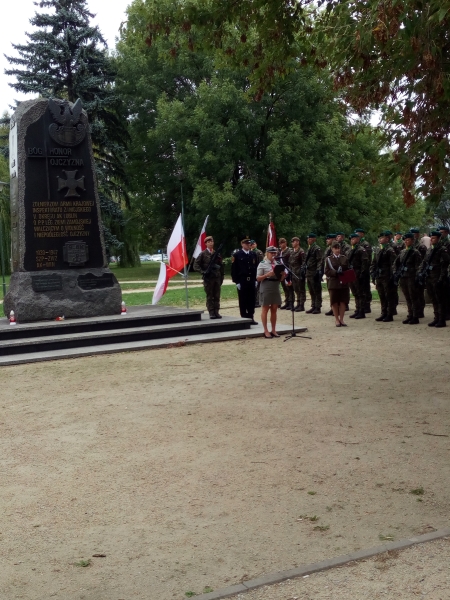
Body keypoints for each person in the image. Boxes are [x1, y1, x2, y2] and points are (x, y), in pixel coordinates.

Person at [418, 230, 450, 327]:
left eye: (434, 238)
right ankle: (436, 318)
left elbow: (444, 266)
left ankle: (442, 319)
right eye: (431, 238)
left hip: (437, 278)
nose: (431, 239)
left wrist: (441, 279)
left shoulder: (442, 249)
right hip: (429, 277)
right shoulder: (430, 249)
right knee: (433, 299)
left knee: (440, 299)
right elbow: (424, 262)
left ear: (439, 239)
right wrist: (420, 272)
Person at [392, 233, 422, 324]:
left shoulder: (415, 252)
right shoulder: (402, 252)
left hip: (411, 277)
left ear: (412, 241)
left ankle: (415, 316)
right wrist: (395, 272)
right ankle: (410, 315)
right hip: (403, 277)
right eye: (405, 240)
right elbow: (396, 263)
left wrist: (417, 277)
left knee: (413, 297)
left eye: (408, 240)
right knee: (407, 297)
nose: (406, 241)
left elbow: (419, 266)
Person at [193, 235, 224, 319]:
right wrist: (203, 272)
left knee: (217, 295)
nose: (211, 243)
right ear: (206, 244)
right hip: (208, 278)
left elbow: (221, 266)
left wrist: (221, 277)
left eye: (212, 241)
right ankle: (211, 312)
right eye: (208, 242)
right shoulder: (203, 254)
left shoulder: (216, 253)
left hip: (217, 277)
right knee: (210, 295)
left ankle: (216, 311)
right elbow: (195, 265)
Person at [257, 246, 285, 338]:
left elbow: (280, 279)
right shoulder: (262, 264)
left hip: (275, 286)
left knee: (274, 309)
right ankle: (265, 330)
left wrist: (283, 276)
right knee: (265, 309)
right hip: (266, 286)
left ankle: (273, 329)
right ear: (267, 253)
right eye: (271, 253)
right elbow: (258, 278)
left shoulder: (278, 263)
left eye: (274, 253)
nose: (273, 255)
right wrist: (267, 274)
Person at [370, 231, 397, 322]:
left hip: (387, 276)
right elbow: (374, 263)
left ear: (387, 239)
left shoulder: (390, 250)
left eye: (382, 238)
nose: (380, 239)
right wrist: (373, 273)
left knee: (389, 295)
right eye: (379, 238)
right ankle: (384, 312)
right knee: (382, 295)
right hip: (379, 276)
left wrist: (391, 276)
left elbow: (393, 264)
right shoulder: (378, 250)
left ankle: (390, 314)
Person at [231, 238, 258, 324]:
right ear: (242, 244)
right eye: (246, 244)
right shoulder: (237, 255)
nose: (248, 245)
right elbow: (234, 269)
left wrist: (256, 279)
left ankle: (251, 317)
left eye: (249, 244)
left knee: (251, 299)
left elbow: (256, 268)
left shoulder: (253, 254)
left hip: (251, 280)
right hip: (242, 280)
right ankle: (244, 317)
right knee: (243, 300)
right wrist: (237, 281)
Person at [324, 241, 350, 327]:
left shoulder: (344, 258)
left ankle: (342, 319)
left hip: (343, 283)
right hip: (334, 283)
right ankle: (336, 319)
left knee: (343, 301)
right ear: (332, 249)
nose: (337, 250)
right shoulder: (328, 259)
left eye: (338, 248)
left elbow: (348, 269)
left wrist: (344, 272)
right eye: (335, 248)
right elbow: (326, 271)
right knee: (334, 301)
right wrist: (335, 272)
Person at [347, 232, 370, 319]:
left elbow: (365, 262)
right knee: (355, 292)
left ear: (358, 239)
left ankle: (362, 310)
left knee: (360, 293)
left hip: (358, 272)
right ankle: (357, 309)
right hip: (351, 273)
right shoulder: (350, 250)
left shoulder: (361, 249)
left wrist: (362, 274)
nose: (352, 240)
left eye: (353, 239)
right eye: (351, 239)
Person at [410, 227, 428, 318]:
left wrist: (421, 273)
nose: (413, 236)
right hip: (409, 274)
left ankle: (420, 311)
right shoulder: (408, 246)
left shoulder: (421, 247)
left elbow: (424, 261)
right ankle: (413, 312)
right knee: (412, 294)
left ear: (417, 235)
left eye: (414, 234)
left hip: (418, 273)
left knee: (419, 293)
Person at [303, 233, 323, 314]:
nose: (308, 240)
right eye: (308, 239)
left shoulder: (317, 248)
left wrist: (318, 271)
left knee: (316, 290)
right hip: (309, 272)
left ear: (314, 239)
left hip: (314, 272)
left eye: (310, 239)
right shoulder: (310, 248)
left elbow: (319, 260)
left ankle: (318, 307)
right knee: (311, 290)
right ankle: (313, 305)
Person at [355, 228, 373, 313]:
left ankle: (367, 305)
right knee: (359, 289)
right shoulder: (356, 244)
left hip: (365, 269)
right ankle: (360, 306)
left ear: (362, 234)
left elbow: (367, 258)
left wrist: (365, 269)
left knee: (365, 288)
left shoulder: (365, 244)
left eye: (358, 233)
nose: (357, 235)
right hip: (357, 270)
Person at [288, 236, 306, 311]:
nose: (292, 243)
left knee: (301, 289)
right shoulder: (292, 251)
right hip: (293, 272)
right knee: (296, 289)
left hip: (299, 273)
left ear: (298, 242)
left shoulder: (301, 251)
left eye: (294, 241)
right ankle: (298, 303)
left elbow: (303, 262)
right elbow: (290, 262)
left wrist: (302, 271)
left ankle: (301, 305)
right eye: (292, 242)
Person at [323, 234, 337, 316]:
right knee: (331, 291)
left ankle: (336, 308)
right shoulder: (328, 248)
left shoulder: (336, 247)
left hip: (334, 273)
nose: (327, 240)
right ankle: (332, 308)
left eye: (328, 239)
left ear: (332, 239)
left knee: (335, 292)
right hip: (329, 273)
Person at [438, 226, 450, 319]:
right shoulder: (439, 243)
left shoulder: (448, 243)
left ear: (446, 233)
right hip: (440, 270)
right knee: (442, 293)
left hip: (447, 270)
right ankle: (443, 312)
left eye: (441, 232)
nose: (440, 233)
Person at [278, 238, 293, 309]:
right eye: (280, 243)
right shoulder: (280, 251)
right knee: (284, 288)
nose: (281, 244)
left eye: (282, 243)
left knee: (289, 288)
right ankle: (287, 301)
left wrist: (289, 271)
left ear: (285, 243)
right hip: (282, 272)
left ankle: (291, 302)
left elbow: (291, 261)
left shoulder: (289, 251)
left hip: (288, 271)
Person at [250, 240, 264, 308]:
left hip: (257, 271)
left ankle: (258, 301)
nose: (252, 245)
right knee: (253, 287)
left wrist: (260, 272)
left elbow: (261, 263)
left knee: (258, 287)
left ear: (256, 244)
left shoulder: (259, 252)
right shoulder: (250, 252)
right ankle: (253, 300)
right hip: (252, 272)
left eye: (253, 244)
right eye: (251, 244)